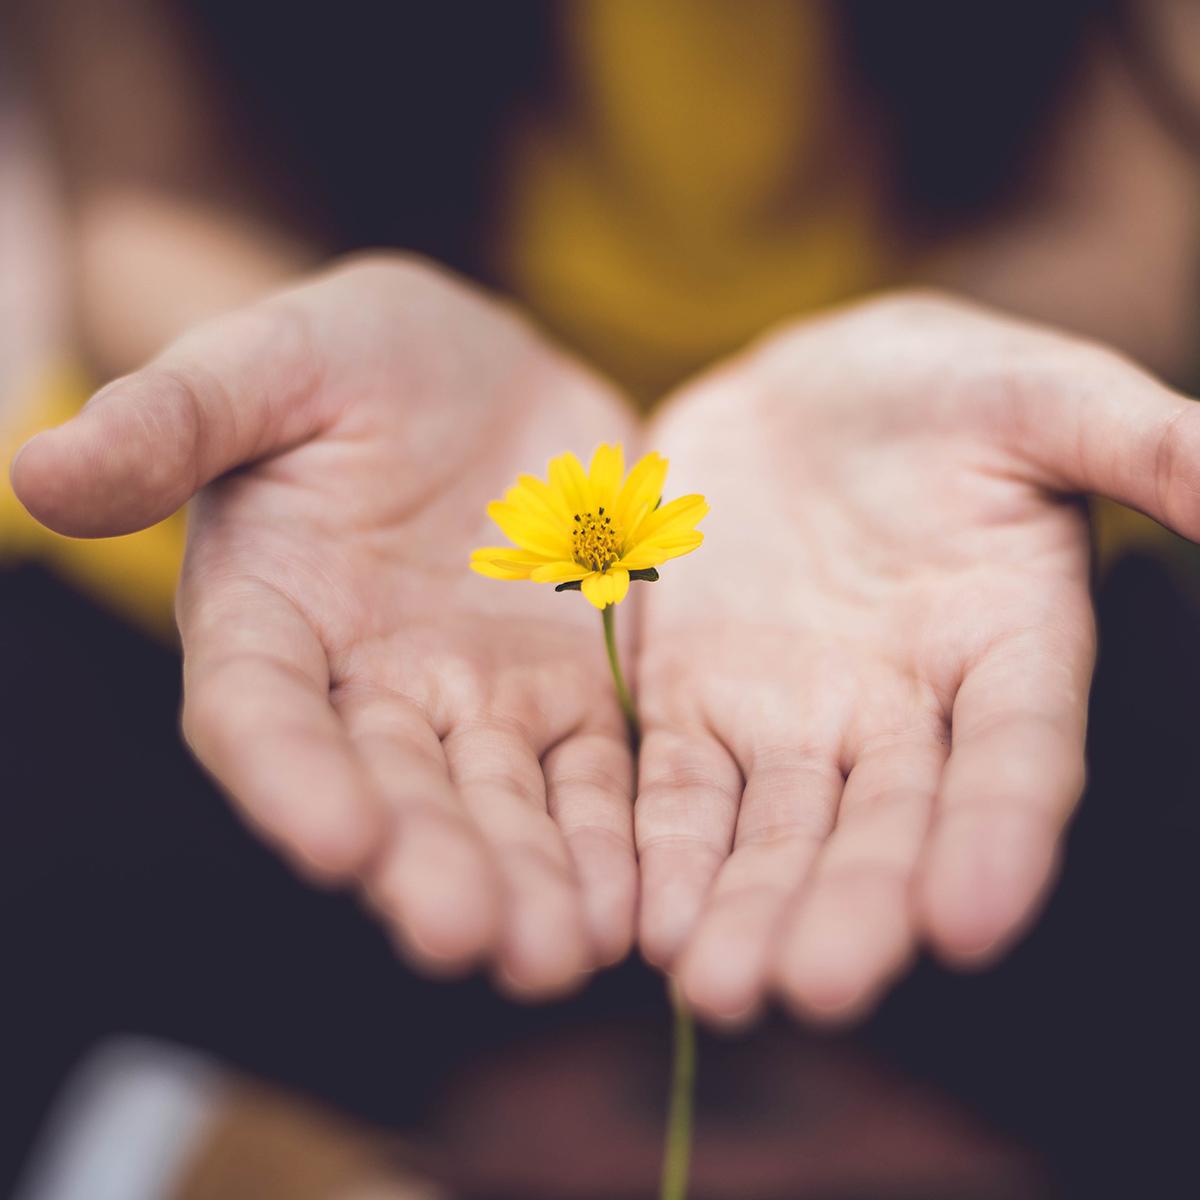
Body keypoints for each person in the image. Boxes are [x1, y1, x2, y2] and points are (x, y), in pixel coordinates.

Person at [3, 2, 1199, 1170]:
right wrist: (265, 352)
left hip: (922, 568)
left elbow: (1121, 220)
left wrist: (973, 358)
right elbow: (149, 193)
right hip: (342, 550)